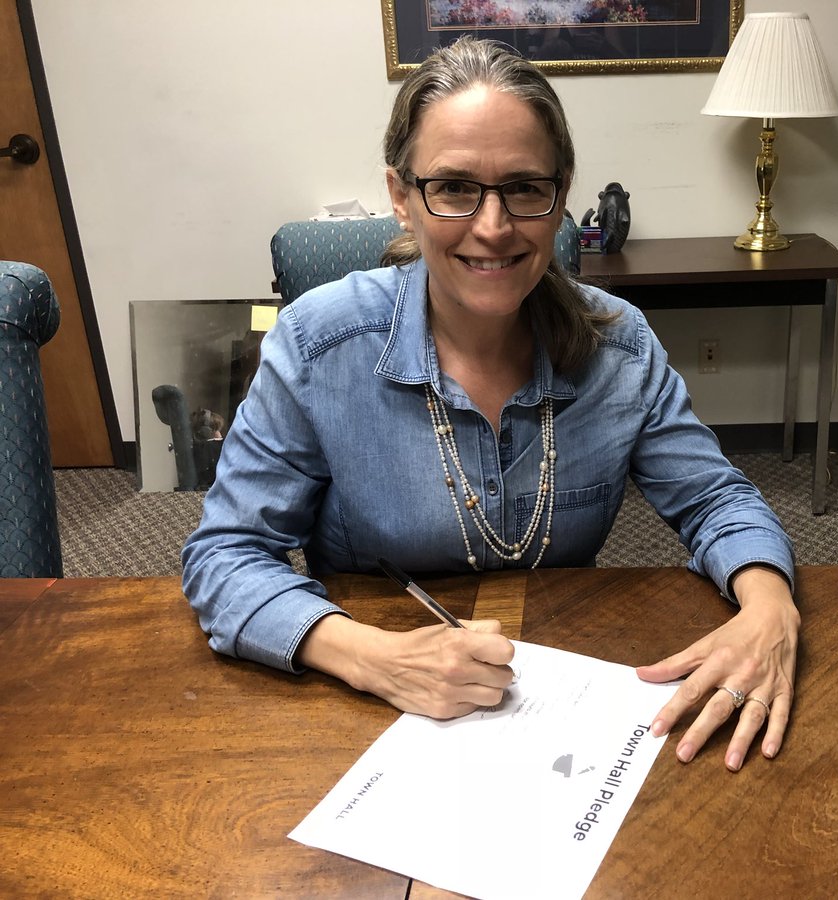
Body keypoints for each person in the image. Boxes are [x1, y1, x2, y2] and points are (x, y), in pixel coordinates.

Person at [182, 37, 800, 773]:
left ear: (561, 195)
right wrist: (373, 657)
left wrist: (770, 606)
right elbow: (225, 555)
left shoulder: (620, 345)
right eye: (453, 187)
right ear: (401, 196)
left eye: (525, 188)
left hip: (561, 700)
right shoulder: (318, 346)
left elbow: (715, 500)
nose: (493, 226)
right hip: (358, 706)